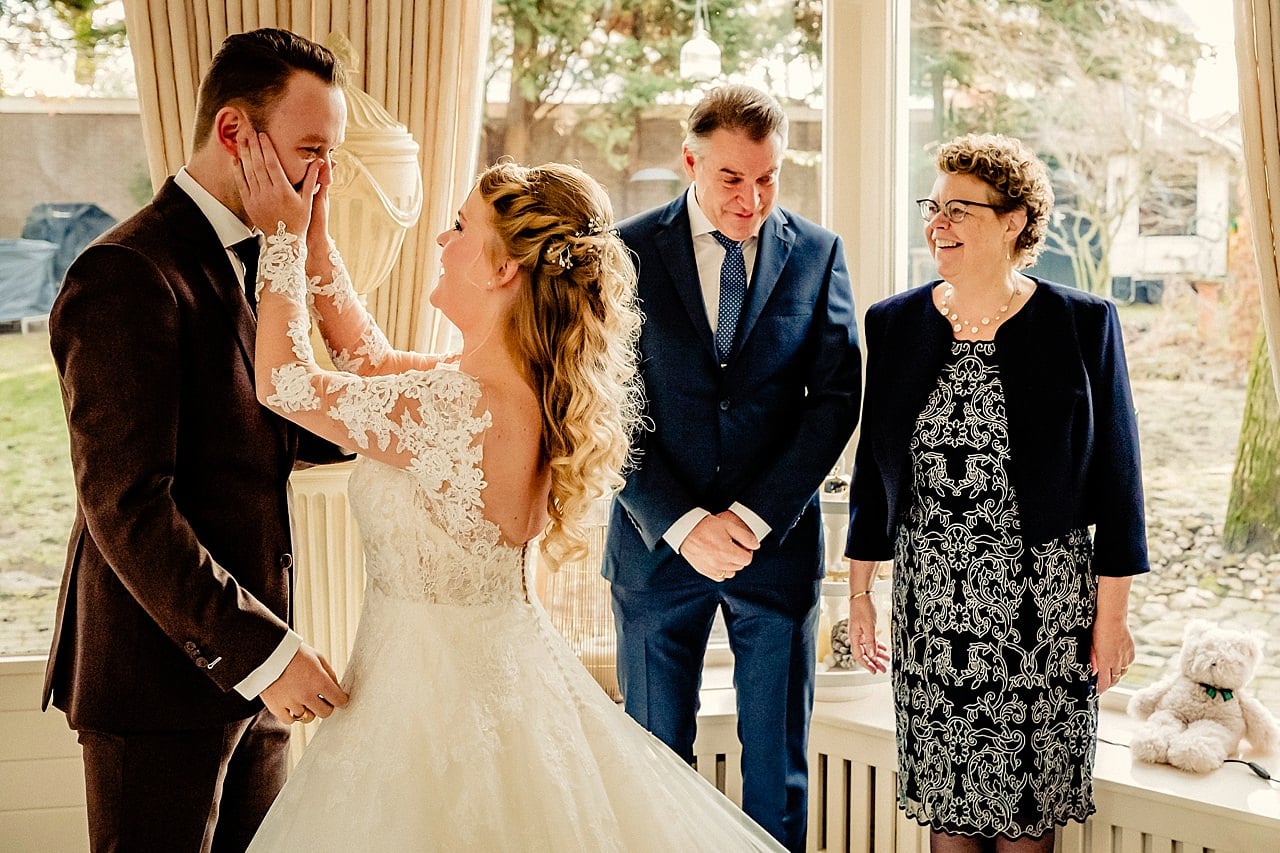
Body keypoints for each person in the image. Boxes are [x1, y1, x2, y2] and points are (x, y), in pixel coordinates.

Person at [233, 131, 786, 850]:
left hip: (432, 704)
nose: (442, 239)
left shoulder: (458, 406)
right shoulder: (501, 387)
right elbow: (369, 361)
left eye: (460, 226)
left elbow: (285, 384)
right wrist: (316, 244)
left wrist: (278, 240)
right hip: (475, 675)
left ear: (503, 268)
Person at [43, 28, 354, 852]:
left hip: (256, 688)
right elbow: (127, 506)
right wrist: (265, 652)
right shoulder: (124, 272)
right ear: (234, 132)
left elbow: (293, 428)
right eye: (310, 151)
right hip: (158, 688)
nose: (320, 180)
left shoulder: (264, 257)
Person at [844, 133, 1147, 852]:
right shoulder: (893, 323)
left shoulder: (1083, 323)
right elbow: (873, 471)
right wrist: (860, 593)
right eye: (933, 208)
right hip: (931, 611)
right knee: (949, 817)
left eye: (960, 210)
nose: (938, 224)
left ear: (1014, 222)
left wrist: (1112, 619)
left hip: (1041, 611)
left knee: (1024, 823)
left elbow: (1120, 480)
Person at [602, 83, 862, 852]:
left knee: (778, 774)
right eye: (732, 178)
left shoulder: (817, 254)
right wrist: (684, 525)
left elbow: (835, 401)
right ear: (691, 161)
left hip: (773, 553)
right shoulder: (623, 251)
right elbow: (602, 402)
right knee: (655, 763)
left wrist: (751, 518)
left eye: (768, 178)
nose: (753, 200)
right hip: (654, 552)